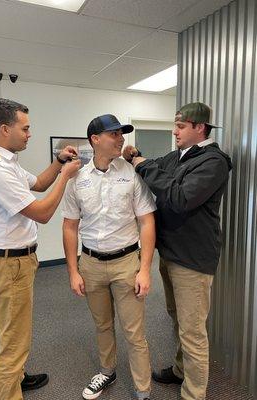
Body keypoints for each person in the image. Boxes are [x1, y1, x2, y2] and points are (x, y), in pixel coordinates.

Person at [0, 98, 81, 400]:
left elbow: (41, 184)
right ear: (5, 129)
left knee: (15, 331)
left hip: (16, 261)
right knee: (13, 342)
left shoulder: (7, 162)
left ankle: (18, 377)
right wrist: (67, 176)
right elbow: (43, 212)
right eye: (26, 128)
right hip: (8, 265)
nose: (30, 134)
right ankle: (8, 392)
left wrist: (58, 163)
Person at [123, 102, 232, 400]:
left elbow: (181, 197)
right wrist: (136, 155)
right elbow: (157, 166)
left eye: (181, 126)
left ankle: (194, 394)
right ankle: (181, 369)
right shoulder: (180, 156)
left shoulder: (214, 161)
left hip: (193, 260)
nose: (174, 131)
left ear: (200, 128)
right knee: (177, 319)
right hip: (170, 254)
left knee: (193, 331)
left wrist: (141, 164)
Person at [62, 114, 156, 400]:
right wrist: (73, 271)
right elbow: (69, 227)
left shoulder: (131, 174)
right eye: (114, 134)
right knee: (102, 325)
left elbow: (147, 222)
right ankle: (107, 371)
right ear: (95, 139)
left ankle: (143, 389)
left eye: (121, 134)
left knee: (134, 332)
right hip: (90, 263)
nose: (121, 139)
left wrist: (145, 270)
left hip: (127, 262)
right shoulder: (76, 179)